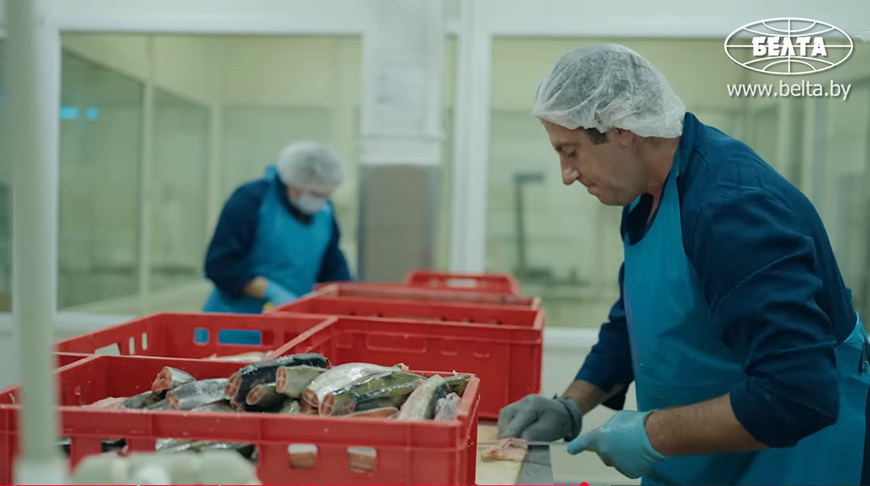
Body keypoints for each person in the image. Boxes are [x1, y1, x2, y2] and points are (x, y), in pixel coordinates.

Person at [497, 44, 869, 485]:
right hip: (704, 460)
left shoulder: (730, 207)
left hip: (792, 463)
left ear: (621, 129)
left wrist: (651, 434)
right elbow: (637, 321)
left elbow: (797, 393)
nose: (566, 173)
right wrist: (570, 405)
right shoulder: (644, 194)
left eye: (571, 151)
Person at [202, 141, 351, 314]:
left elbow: (332, 264)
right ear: (292, 183)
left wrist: (346, 299)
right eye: (315, 194)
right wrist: (270, 292)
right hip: (234, 320)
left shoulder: (324, 212)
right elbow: (220, 265)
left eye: (326, 195)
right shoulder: (251, 201)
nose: (320, 201)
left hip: (293, 318)